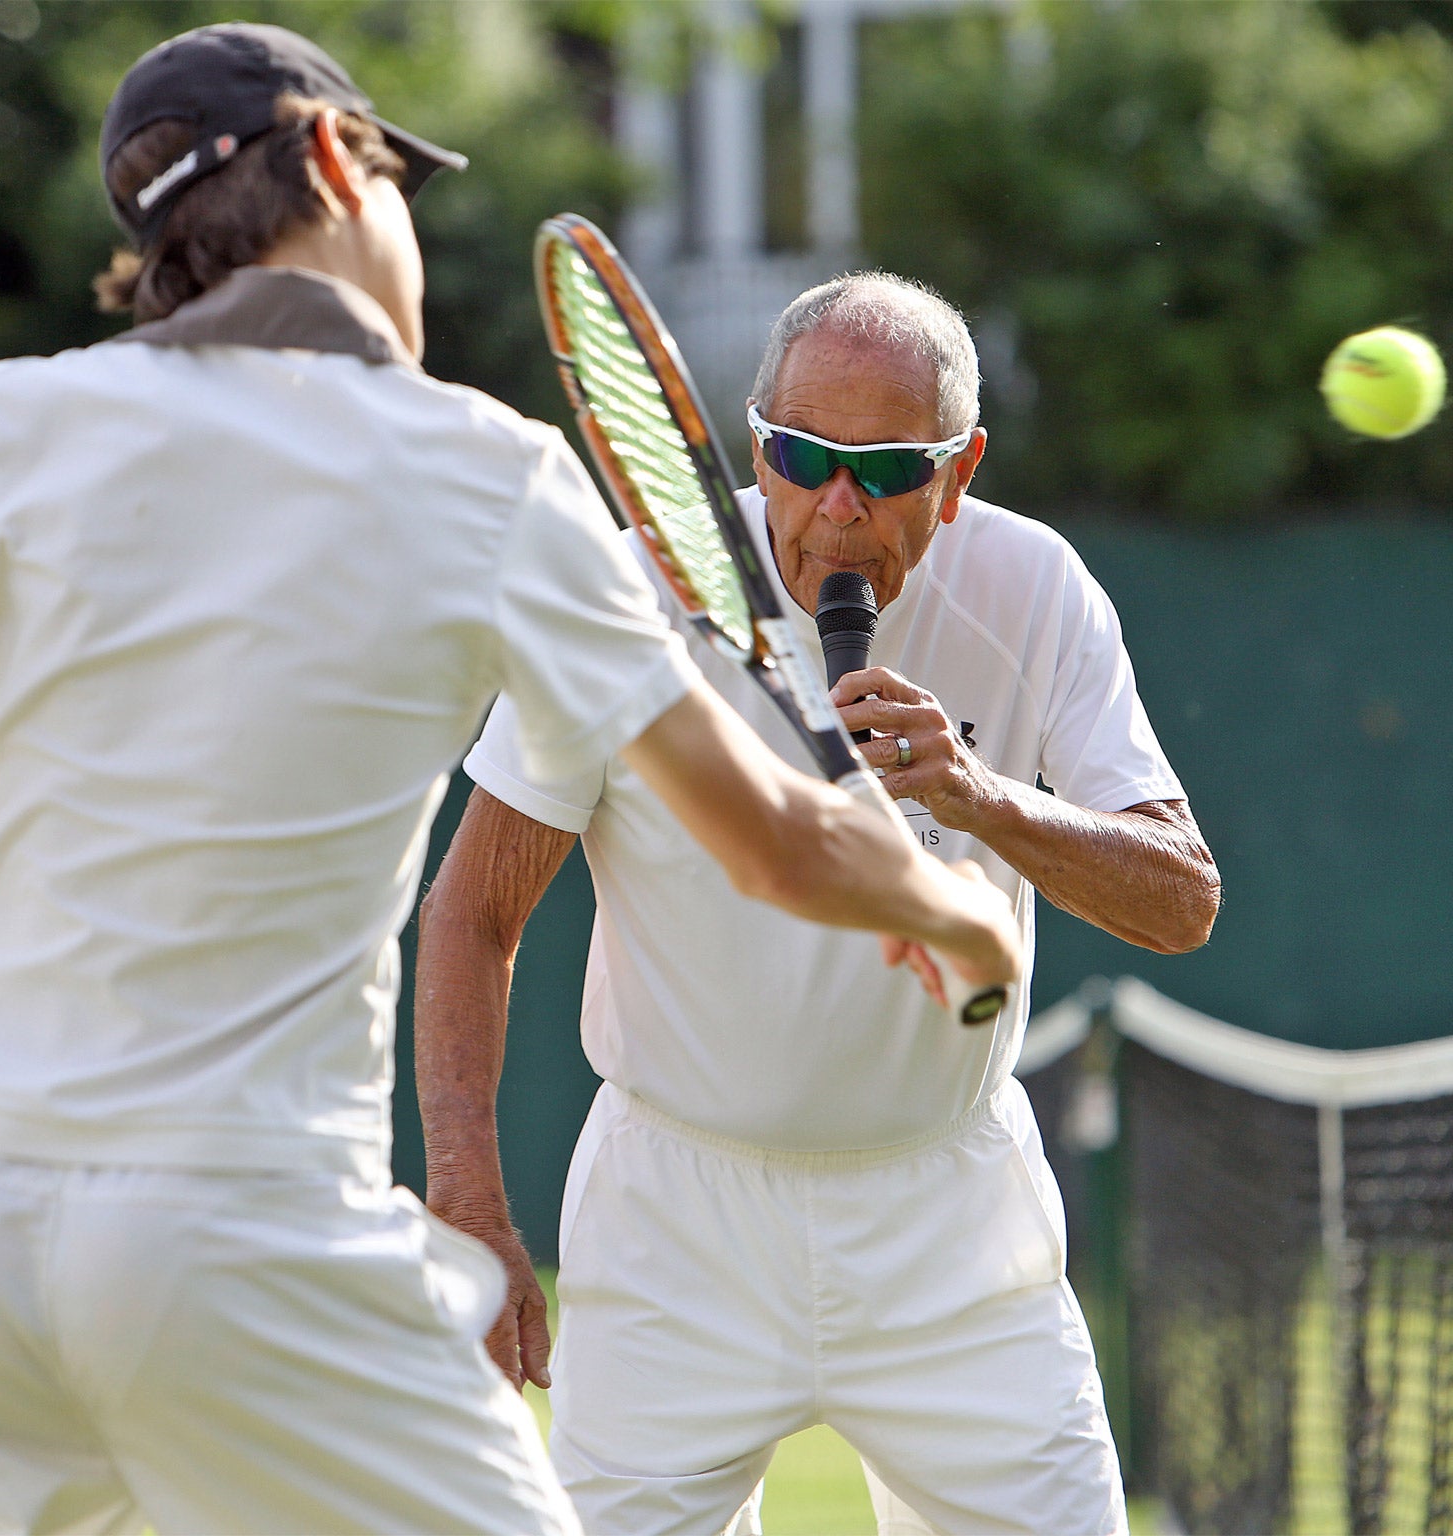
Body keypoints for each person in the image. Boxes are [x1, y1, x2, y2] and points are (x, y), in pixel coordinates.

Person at [0, 26, 1019, 1532]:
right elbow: (782, 846)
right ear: (330, 160)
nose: (399, 226)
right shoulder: (486, 470)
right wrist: (959, 915)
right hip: (246, 1237)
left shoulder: (19, 422)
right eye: (393, 182)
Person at [418, 272, 1221, 1536]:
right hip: (672, 1225)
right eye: (802, 456)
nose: (838, 504)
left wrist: (978, 796)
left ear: (957, 474)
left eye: (889, 470)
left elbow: (1181, 900)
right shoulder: (616, 595)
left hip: (953, 1224)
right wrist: (468, 1207)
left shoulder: (1037, 587)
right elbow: (471, 913)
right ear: (756, 450)